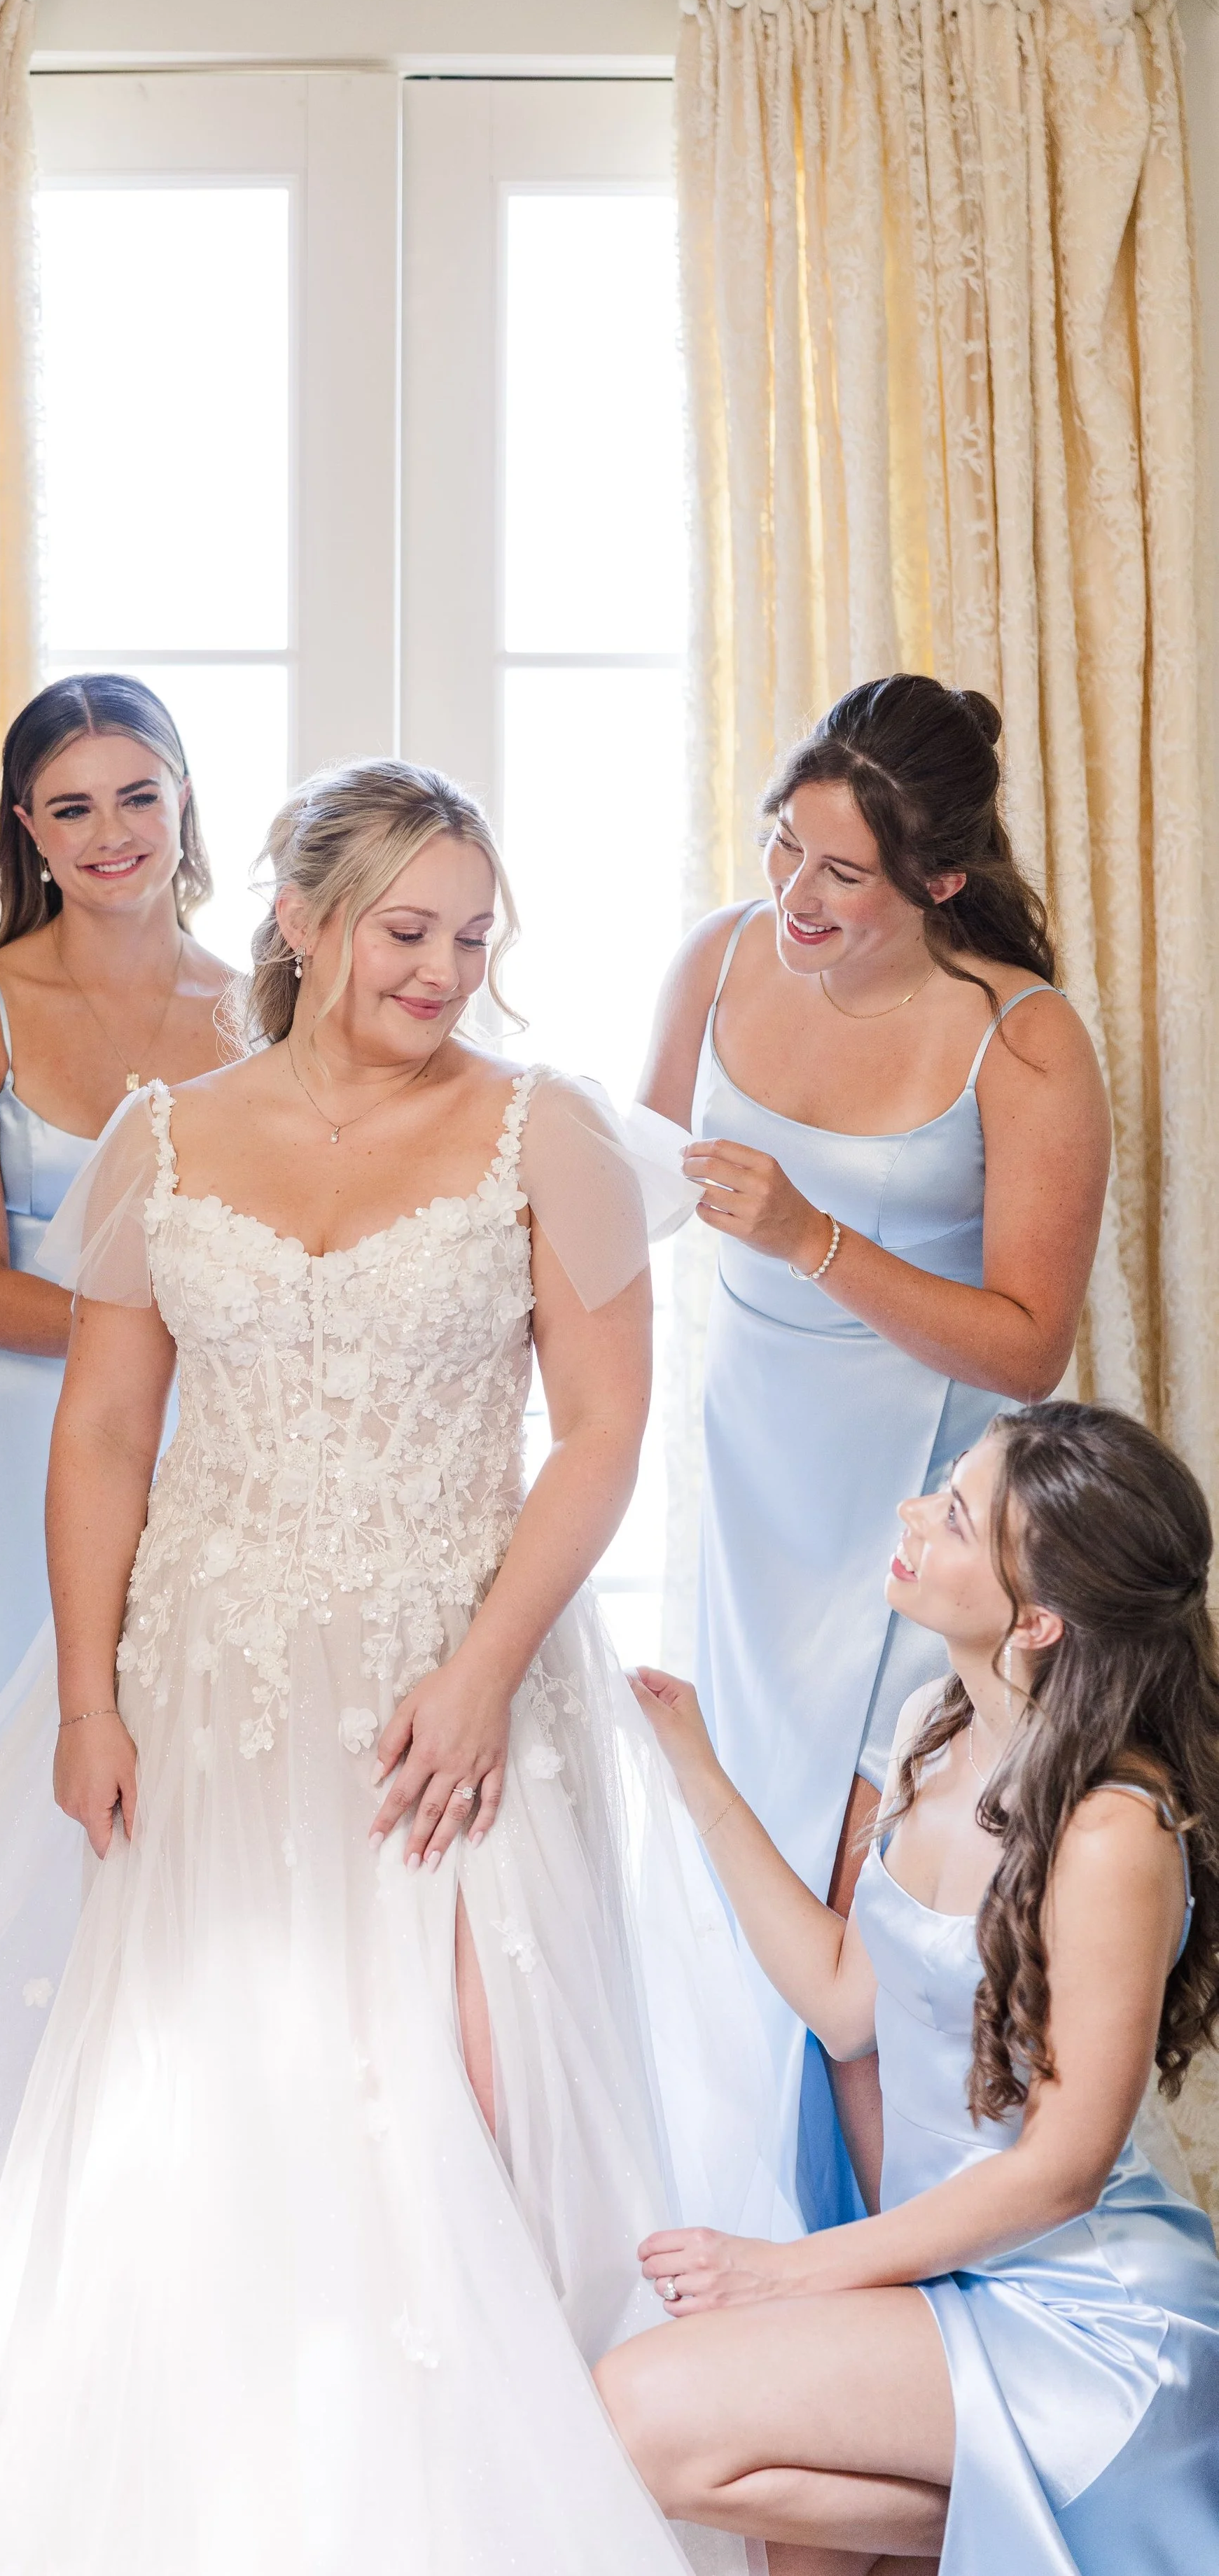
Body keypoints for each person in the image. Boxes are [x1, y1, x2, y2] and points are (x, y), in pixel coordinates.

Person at [0, 760, 783, 2576]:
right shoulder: (160, 1139)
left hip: (455, 1675)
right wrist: (88, 1697)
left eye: (471, 937)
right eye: (406, 931)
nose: (442, 970)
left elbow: (601, 1436)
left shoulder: (539, 1131)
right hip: (208, 1678)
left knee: (471, 2089)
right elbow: (100, 1436)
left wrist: (482, 1670)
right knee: (226, 2085)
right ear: (302, 920)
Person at [638, 674, 1109, 2222]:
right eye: (784, 846)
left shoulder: (1023, 1041)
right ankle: (773, 2244)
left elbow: (1029, 1345)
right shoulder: (716, 957)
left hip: (927, 1523)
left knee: (865, 1917)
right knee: (752, 1884)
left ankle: (905, 2273)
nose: (795, 893)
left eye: (841, 872)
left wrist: (811, 1236)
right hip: (751, 1496)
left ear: (940, 879)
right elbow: (625, 1180)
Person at [599, 1399, 1219, 2575]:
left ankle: (1077, 2513)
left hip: (1087, 2319)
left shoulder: (1112, 1832)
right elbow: (847, 2004)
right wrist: (694, 1766)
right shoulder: (933, 1724)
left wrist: (782, 2271)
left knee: (640, 2415)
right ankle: (1020, 2521)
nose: (913, 1514)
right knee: (793, 2552)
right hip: (946, 2276)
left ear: (1036, 1618)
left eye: (955, 1515)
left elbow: (1061, 2170)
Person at [0, 676, 236, 1880]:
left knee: (167, 1784)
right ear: (27, 828)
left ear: (183, 801)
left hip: (182, 1442)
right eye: (72, 808)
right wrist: (193, 1327)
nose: (111, 833)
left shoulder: (259, 1011)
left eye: (138, 797)